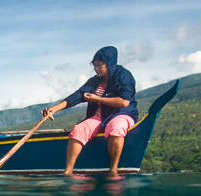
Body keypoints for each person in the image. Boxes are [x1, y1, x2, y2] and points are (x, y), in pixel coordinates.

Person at [42, 46, 138, 176]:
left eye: (100, 65)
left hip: (121, 113)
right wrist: (54, 109)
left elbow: (124, 102)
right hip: (99, 117)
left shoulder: (124, 76)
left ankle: (113, 170)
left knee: (117, 127)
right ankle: (68, 172)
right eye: (94, 65)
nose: (96, 69)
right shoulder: (94, 81)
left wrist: (98, 99)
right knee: (78, 130)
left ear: (109, 64)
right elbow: (77, 96)